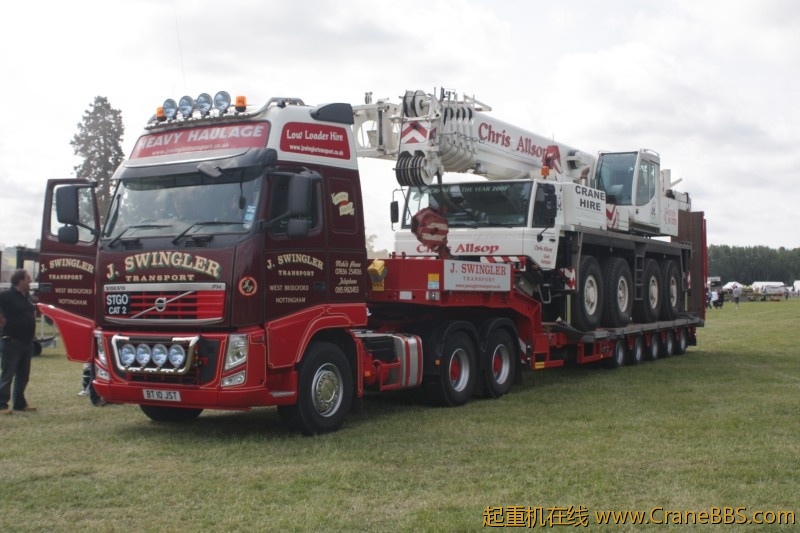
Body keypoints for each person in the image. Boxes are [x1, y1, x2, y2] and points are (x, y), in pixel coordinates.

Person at [0, 269, 37, 414]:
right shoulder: (6, 295)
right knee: (7, 375)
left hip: (27, 342)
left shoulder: (27, 296)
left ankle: (20, 403)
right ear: (20, 281)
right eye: (28, 278)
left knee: (23, 375)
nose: (30, 281)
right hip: (11, 341)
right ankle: (1, 405)